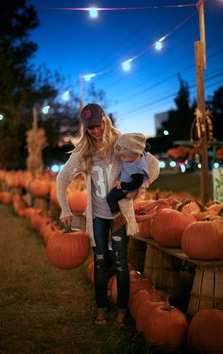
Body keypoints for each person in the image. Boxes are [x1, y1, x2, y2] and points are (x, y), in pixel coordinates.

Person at [56, 103, 159, 326]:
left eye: (97, 125)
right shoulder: (84, 152)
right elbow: (62, 178)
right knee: (101, 262)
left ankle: (122, 311)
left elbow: (153, 165)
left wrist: (137, 188)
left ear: (105, 119)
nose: (95, 131)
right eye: (89, 128)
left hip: (119, 217)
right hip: (98, 218)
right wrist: (65, 208)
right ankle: (101, 309)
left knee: (122, 264)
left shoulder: (121, 143)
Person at [106, 132, 149, 233]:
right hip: (125, 182)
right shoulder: (141, 152)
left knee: (111, 197)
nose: (121, 159)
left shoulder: (137, 169)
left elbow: (136, 184)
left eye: (124, 157)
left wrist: (123, 185)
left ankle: (118, 216)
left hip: (126, 186)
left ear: (134, 154)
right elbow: (146, 147)